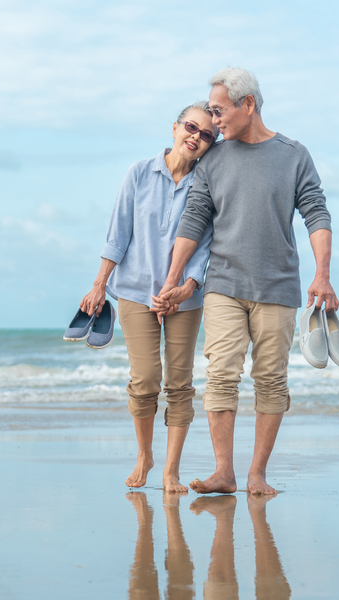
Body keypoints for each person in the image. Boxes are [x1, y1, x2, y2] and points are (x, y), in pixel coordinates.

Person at [155, 67, 337, 495]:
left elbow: (316, 214)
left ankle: (257, 475)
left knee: (271, 380)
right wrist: (173, 278)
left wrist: (323, 274)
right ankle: (224, 473)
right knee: (220, 376)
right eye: (210, 113)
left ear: (248, 105)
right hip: (223, 283)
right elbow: (195, 217)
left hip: (278, 287)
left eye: (219, 111)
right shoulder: (212, 160)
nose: (214, 122)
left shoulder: (294, 155)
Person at [79, 102, 218, 492]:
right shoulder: (138, 173)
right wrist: (98, 284)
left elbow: (206, 245)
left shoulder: (206, 185)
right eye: (192, 127)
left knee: (180, 383)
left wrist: (188, 286)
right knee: (144, 380)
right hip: (135, 293)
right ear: (174, 128)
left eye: (207, 134)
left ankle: (171, 470)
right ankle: (144, 455)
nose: (197, 137)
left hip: (184, 299)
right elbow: (118, 233)